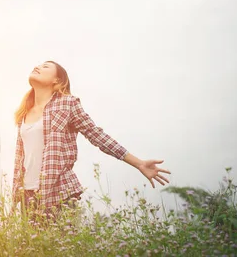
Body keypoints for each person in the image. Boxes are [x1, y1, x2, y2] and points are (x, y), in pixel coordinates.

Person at [12, 61, 171, 220]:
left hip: (58, 192)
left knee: (61, 244)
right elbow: (21, 158)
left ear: (57, 80)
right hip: (28, 194)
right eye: (39, 65)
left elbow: (96, 135)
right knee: (32, 245)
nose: (38, 66)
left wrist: (139, 163)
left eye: (46, 66)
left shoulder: (67, 103)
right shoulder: (25, 112)